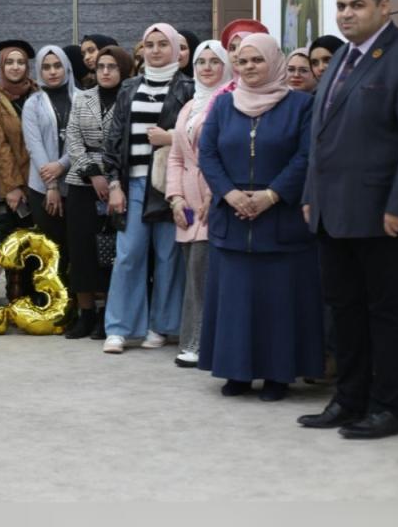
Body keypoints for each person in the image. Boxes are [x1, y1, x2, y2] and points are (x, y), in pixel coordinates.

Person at [298, 0, 398, 439]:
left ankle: (388, 409)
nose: (346, 14)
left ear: (383, 7)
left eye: (357, 5)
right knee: (345, 311)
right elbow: (320, 136)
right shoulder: (340, 58)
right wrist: (311, 195)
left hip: (386, 216)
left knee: (388, 315)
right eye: (341, 5)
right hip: (333, 214)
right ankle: (349, 400)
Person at [197, 33, 322, 400]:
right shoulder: (224, 104)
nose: (249, 67)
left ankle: (277, 375)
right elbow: (208, 153)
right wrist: (229, 193)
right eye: (243, 61)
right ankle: (236, 373)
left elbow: (306, 156)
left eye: (258, 60)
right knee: (235, 303)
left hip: (281, 220)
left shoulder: (301, 106)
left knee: (278, 304)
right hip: (232, 218)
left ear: (275, 61)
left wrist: (272, 194)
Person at [102, 23, 193, 354]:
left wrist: (171, 138)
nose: (155, 50)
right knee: (128, 254)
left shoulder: (188, 88)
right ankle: (119, 328)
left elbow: (197, 134)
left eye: (162, 44)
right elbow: (114, 139)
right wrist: (114, 184)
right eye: (149, 44)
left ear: (175, 49)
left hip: (170, 184)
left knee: (169, 256)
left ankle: (162, 326)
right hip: (133, 183)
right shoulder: (129, 87)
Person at [165, 40, 232, 367]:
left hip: (213, 199)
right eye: (201, 62)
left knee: (203, 275)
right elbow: (176, 157)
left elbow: (227, 155)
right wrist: (175, 198)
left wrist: (213, 194)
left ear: (226, 66)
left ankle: (199, 344)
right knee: (193, 275)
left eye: (214, 61)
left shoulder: (230, 101)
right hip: (188, 206)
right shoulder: (189, 107)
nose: (207, 67)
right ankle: (193, 341)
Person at [63, 45, 133, 338]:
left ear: (123, 69)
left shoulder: (131, 97)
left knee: (110, 251)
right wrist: (92, 173)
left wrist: (110, 176)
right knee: (80, 249)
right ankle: (86, 313)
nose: (105, 72)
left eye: (112, 67)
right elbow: (72, 138)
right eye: (101, 66)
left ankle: (107, 314)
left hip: (118, 181)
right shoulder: (82, 97)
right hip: (82, 182)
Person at [0, 39, 37, 300]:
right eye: (10, 62)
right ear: (1, 66)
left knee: (40, 245)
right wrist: (13, 186)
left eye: (21, 62)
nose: (15, 67)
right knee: (15, 244)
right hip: (14, 185)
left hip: (43, 181)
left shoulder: (40, 95)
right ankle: (17, 298)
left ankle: (43, 300)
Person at [22, 45, 75, 292]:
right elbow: (34, 145)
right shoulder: (33, 103)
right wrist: (52, 185)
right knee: (52, 248)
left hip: (76, 184)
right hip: (42, 188)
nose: (52, 72)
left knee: (75, 246)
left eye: (57, 66)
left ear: (66, 67)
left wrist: (62, 165)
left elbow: (84, 139)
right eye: (46, 67)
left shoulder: (83, 98)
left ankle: (76, 302)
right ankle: (52, 299)